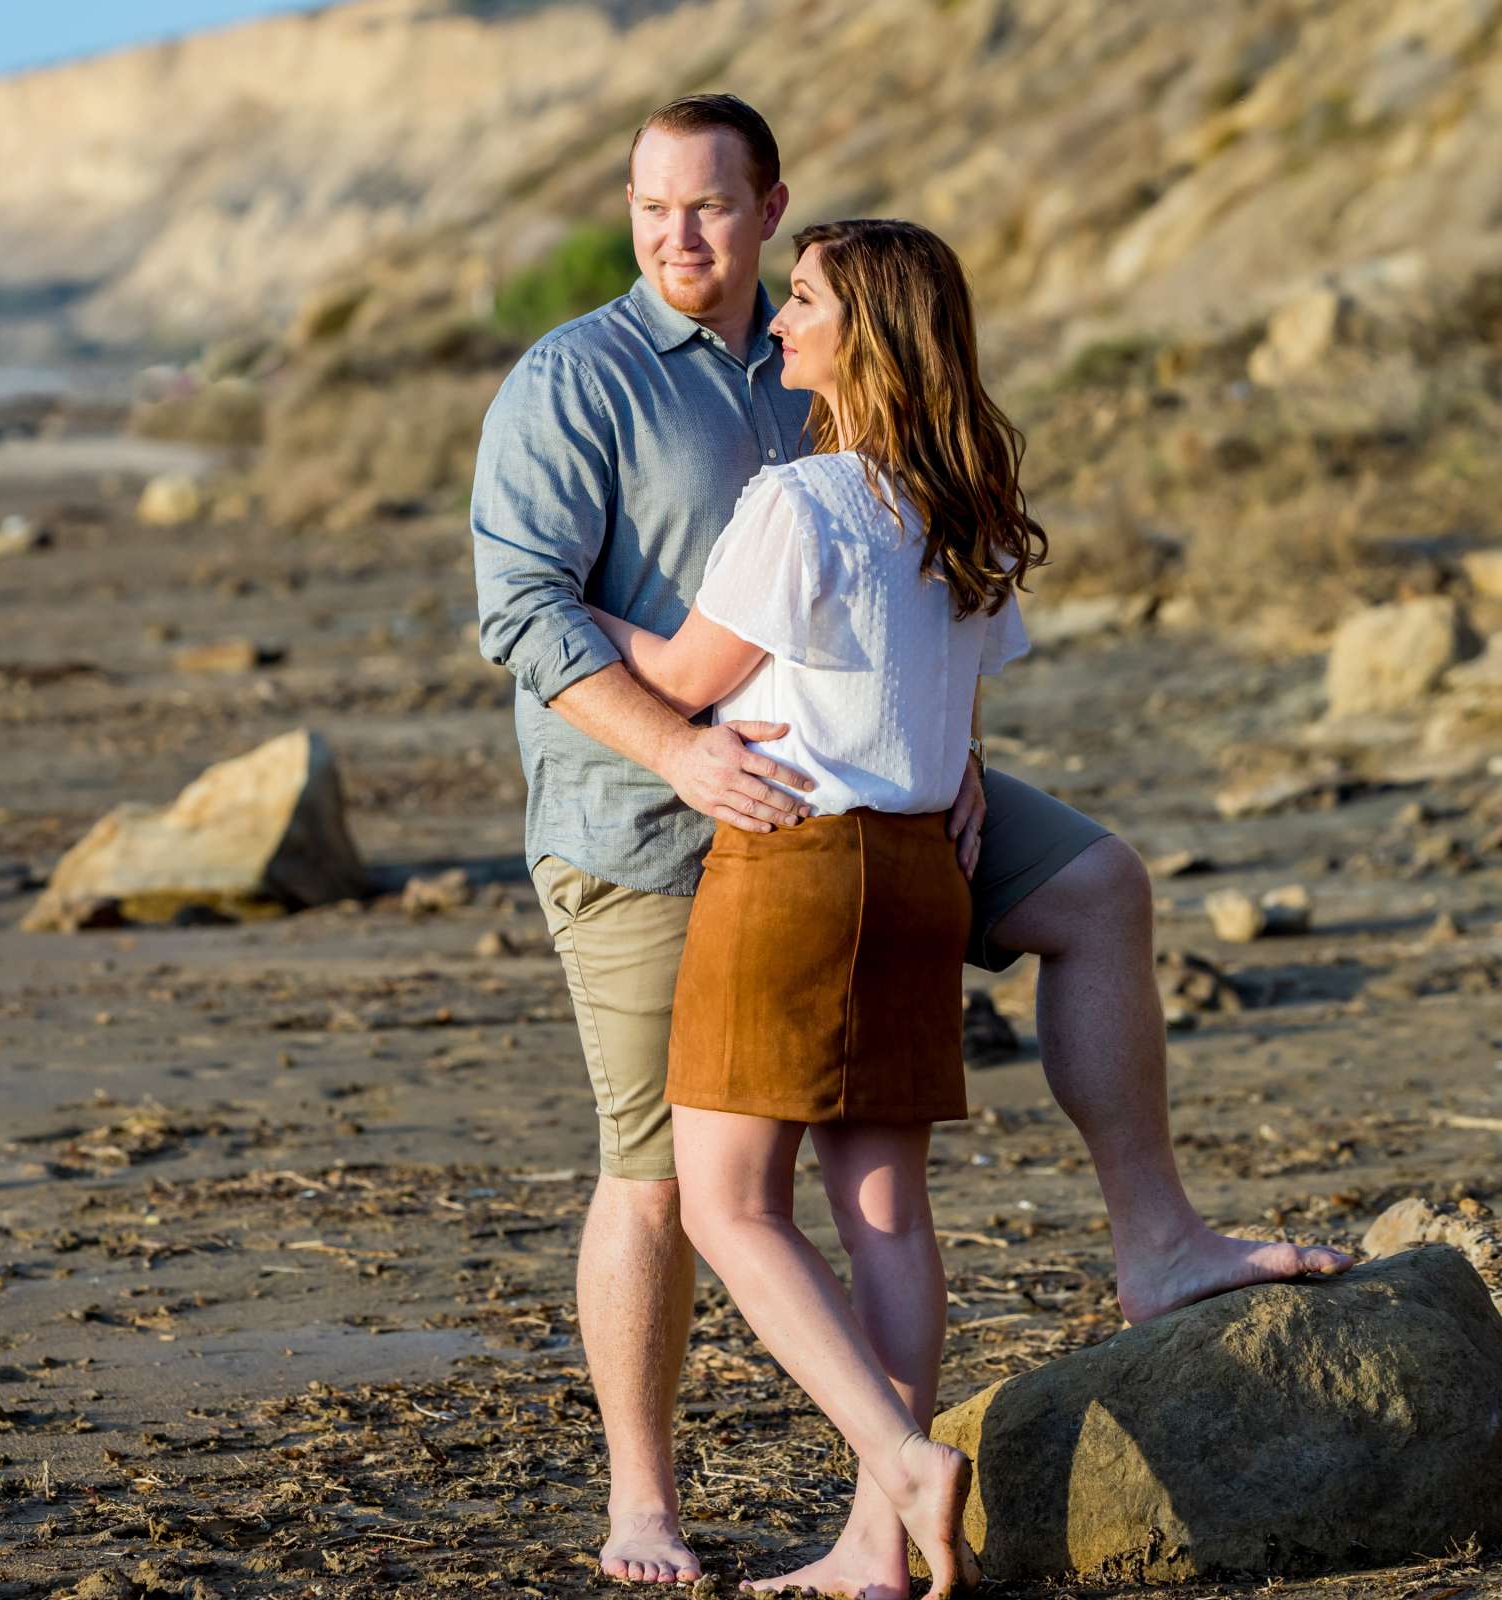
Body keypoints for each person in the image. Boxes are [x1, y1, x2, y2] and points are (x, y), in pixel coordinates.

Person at [468, 94, 1354, 1587]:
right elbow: (520, 609)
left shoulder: (831, 355)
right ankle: (645, 1504)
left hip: (866, 810)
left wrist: (964, 759)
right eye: (647, 205)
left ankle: (1148, 1251)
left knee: (1097, 885)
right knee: (662, 1178)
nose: (676, 234)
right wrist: (679, 747)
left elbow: (904, 590)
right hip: (641, 811)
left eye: (707, 206)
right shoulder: (578, 379)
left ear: (770, 208)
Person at [594, 215, 1029, 1599]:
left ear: (868, 336)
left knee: (727, 1205)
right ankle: (872, 1553)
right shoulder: (964, 499)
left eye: (804, 300)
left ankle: (903, 1463)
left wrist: (562, 611)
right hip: (921, 868)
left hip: (795, 864)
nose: (779, 323)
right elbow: (957, 703)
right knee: (886, 1204)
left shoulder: (802, 501)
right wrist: (954, 771)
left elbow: (678, 673)